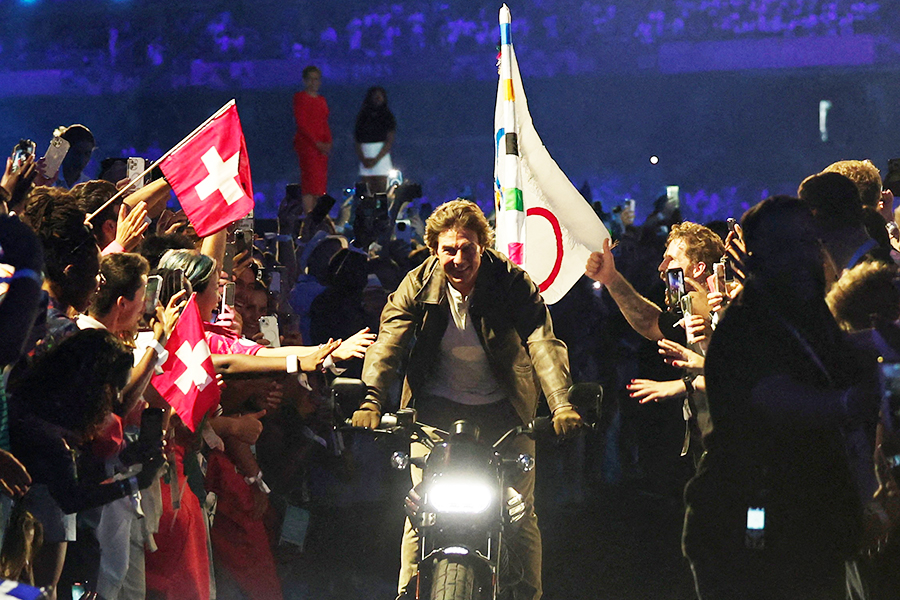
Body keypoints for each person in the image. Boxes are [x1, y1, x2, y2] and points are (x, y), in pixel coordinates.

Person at [352, 199, 582, 600]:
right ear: (433, 249)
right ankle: (407, 592)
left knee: (521, 514)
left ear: (483, 246)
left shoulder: (511, 282)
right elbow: (388, 342)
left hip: (504, 412)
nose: (458, 259)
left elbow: (542, 340)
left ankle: (528, 595)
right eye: (448, 250)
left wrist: (561, 403)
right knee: (418, 511)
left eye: (467, 248)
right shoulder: (416, 284)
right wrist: (371, 399)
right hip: (434, 413)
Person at [682, 196, 877, 600]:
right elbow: (772, 396)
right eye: (790, 244)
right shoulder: (747, 323)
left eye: (810, 240)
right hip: (746, 527)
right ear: (759, 258)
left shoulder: (804, 311)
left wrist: (881, 341)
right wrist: (846, 404)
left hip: (802, 520)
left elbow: (835, 351)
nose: (807, 253)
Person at [292, 65, 332, 216]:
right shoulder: (300, 97)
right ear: (305, 81)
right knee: (310, 183)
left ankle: (318, 218)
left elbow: (324, 122)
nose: (313, 83)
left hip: (322, 148)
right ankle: (310, 217)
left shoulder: (322, 100)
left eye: (316, 79)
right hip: (308, 146)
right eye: (310, 79)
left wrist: (328, 143)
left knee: (321, 183)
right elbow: (302, 123)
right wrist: (317, 143)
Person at [354, 86, 396, 193]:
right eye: (375, 96)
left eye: (380, 96)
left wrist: (377, 159)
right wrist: (363, 159)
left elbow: (389, 140)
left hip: (381, 156)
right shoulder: (362, 116)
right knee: (367, 193)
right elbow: (357, 140)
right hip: (365, 154)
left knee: (381, 192)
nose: (378, 98)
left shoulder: (388, 116)